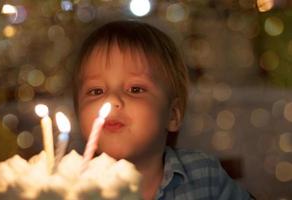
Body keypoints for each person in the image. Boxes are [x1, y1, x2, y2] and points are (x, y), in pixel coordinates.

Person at [73, 20, 253, 200]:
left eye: (135, 89)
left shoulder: (205, 176)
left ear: (173, 115)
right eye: (96, 91)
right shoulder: (71, 188)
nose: (111, 100)